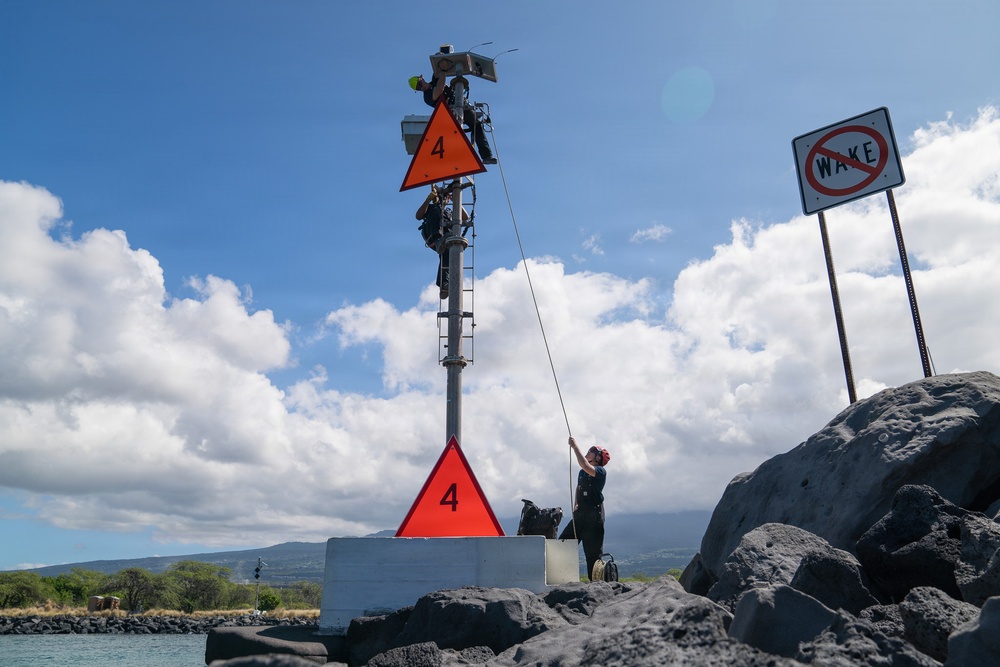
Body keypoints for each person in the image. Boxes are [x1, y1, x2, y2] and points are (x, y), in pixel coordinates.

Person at [409, 74, 496, 164]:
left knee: (477, 126)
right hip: (450, 114)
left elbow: (437, 70)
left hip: (461, 107)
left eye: (420, 84)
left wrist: (442, 68)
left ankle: (486, 156)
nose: (421, 87)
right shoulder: (427, 97)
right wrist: (443, 71)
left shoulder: (434, 81)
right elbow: (439, 89)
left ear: (422, 79)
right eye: (418, 88)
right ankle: (456, 163)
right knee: (454, 138)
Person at [558, 436, 611, 581]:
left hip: (594, 516)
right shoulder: (582, 472)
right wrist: (576, 503)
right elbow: (578, 486)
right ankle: (563, 579)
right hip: (580, 514)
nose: (588, 452)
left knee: (592, 555)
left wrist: (575, 447)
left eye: (591, 451)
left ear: (598, 458)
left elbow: (586, 467)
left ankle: (596, 585)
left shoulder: (600, 471)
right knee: (563, 543)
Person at [415, 184, 468, 299]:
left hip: (447, 239)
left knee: (447, 254)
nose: (443, 199)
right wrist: (428, 199)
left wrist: (455, 200)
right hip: (434, 238)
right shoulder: (431, 209)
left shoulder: (449, 212)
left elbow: (465, 217)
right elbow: (418, 216)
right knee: (436, 210)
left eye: (445, 198)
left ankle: (444, 285)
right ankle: (439, 240)